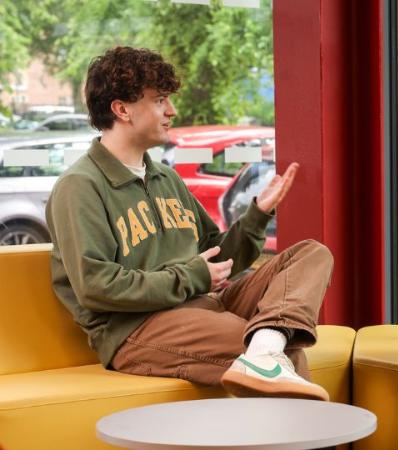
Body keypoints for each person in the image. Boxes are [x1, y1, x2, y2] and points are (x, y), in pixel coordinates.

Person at [46, 46, 333, 401]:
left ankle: (263, 351)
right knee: (285, 352)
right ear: (122, 109)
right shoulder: (80, 186)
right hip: (137, 328)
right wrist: (192, 277)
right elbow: (96, 286)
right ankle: (267, 360)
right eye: (159, 100)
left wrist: (257, 215)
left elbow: (218, 259)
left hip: (205, 304)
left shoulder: (165, 178)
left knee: (311, 254)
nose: (172, 111)